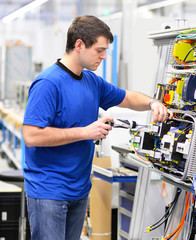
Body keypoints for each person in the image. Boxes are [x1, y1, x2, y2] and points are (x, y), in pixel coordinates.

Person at [22, 15, 172, 240]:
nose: (103, 56)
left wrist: (153, 103)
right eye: (99, 50)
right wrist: (86, 132)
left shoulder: (92, 81)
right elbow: (31, 135)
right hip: (49, 191)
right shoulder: (48, 83)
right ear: (79, 45)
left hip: (79, 189)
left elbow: (128, 98)